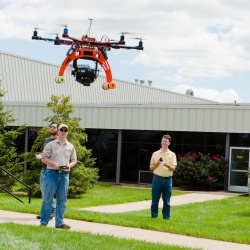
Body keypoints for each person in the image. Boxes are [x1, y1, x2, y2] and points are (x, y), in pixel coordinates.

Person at [40, 124, 77, 229]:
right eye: (61, 129)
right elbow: (43, 158)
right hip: (52, 174)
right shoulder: (50, 145)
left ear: (67, 132)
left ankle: (60, 223)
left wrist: (69, 166)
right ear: (58, 131)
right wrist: (53, 165)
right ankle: (44, 222)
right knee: (48, 199)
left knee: (62, 200)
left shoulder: (70, 146)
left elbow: (74, 160)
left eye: (65, 130)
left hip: (65, 175)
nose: (63, 132)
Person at [149, 134, 177, 219]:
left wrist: (167, 165)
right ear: (161, 142)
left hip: (168, 180)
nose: (164, 142)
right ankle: (154, 216)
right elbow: (151, 168)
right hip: (157, 179)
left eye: (166, 141)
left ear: (169, 143)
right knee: (155, 200)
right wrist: (157, 163)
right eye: (163, 141)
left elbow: (173, 168)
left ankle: (166, 217)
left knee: (167, 201)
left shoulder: (172, 154)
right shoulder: (155, 154)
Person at [36, 122, 59, 220]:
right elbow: (44, 153)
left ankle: (52, 210)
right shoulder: (46, 140)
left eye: (54, 127)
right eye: (51, 127)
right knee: (43, 191)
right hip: (44, 168)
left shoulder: (59, 142)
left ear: (58, 129)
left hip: (52, 170)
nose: (52, 128)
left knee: (47, 192)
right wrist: (40, 156)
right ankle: (46, 213)